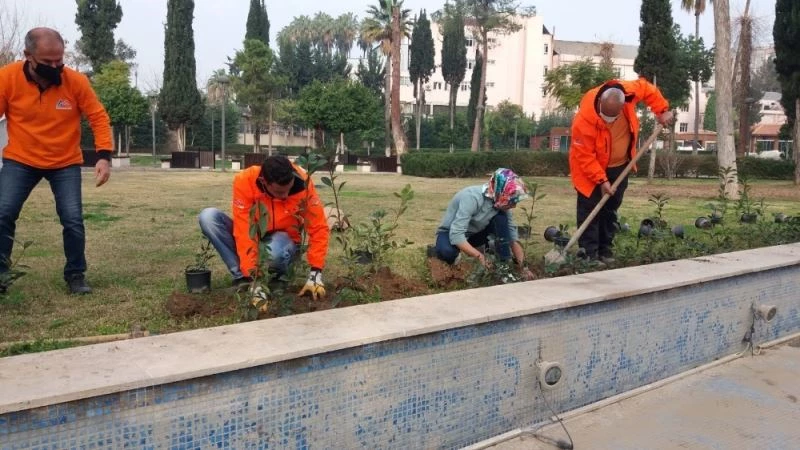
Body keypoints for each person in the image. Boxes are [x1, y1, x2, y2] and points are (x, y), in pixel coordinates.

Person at [0, 27, 113, 295]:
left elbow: (98, 116)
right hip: (21, 159)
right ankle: (1, 274)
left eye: (59, 60)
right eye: (48, 61)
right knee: (3, 213)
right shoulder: (7, 78)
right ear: (28, 55)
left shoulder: (75, 81)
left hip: (65, 161)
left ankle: (76, 274)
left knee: (72, 219)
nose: (55, 66)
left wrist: (104, 156)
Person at [569, 78, 673, 264]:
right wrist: (601, 180)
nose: (609, 121)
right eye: (606, 117)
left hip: (620, 166)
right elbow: (584, 156)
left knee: (610, 209)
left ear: (623, 103)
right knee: (590, 209)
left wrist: (662, 111)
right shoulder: (584, 120)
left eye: (613, 118)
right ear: (600, 102)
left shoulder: (629, 91)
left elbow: (648, 89)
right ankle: (589, 254)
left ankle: (605, 249)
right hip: (589, 170)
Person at [199, 155, 330, 300]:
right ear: (263, 182)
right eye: (280, 192)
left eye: (289, 189)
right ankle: (245, 279)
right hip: (256, 236)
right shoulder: (245, 181)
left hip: (284, 242)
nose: (286, 196)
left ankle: (278, 277)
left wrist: (315, 272)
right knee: (209, 217)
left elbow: (319, 227)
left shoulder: (303, 182)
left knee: (274, 250)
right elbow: (244, 231)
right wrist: (252, 277)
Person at [432, 168, 534, 283]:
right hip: (451, 233)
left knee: (501, 218)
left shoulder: (501, 203)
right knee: (446, 252)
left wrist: (524, 268)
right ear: (501, 191)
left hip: (476, 234)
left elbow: (512, 238)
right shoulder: (471, 197)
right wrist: (480, 257)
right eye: (512, 201)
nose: (514, 206)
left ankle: (504, 268)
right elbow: (456, 235)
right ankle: (457, 263)